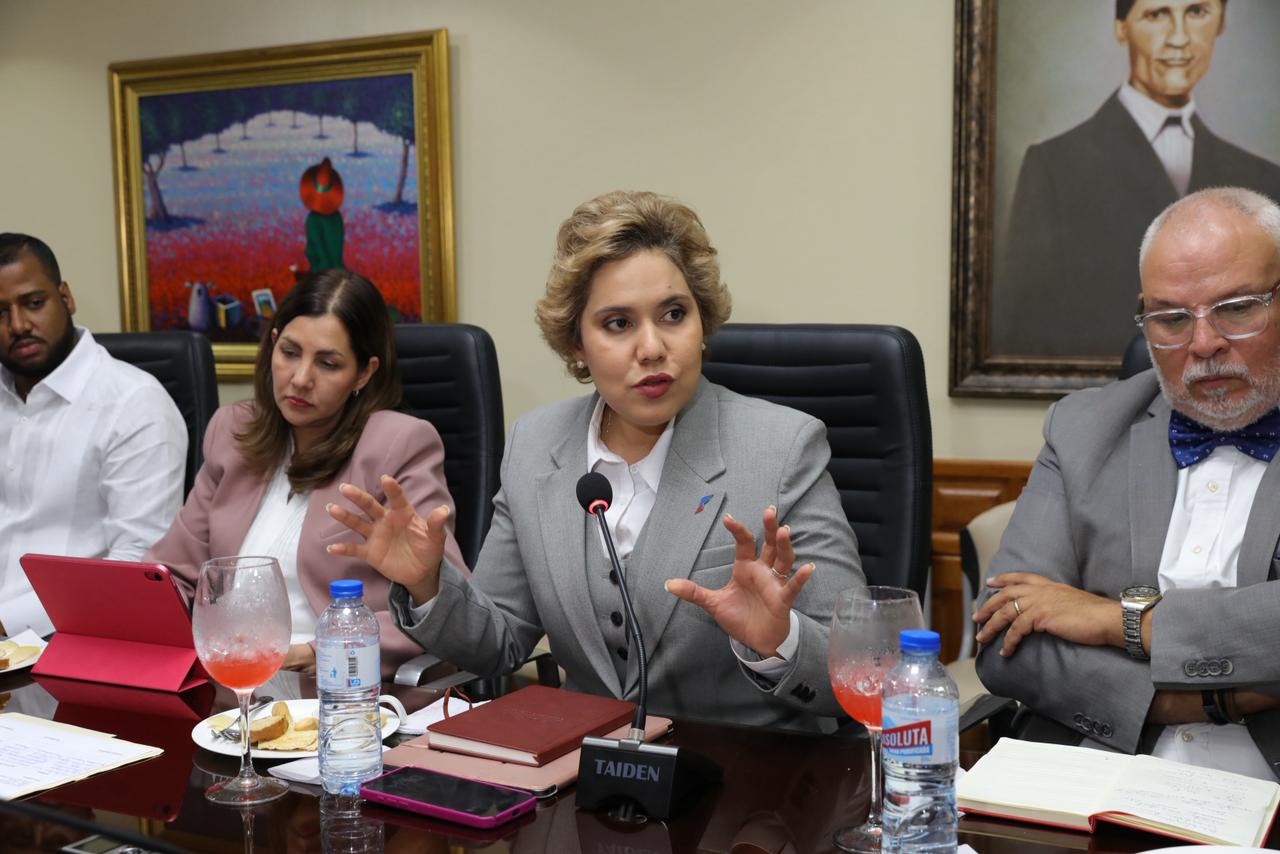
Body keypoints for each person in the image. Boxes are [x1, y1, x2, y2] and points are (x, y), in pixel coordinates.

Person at [328, 191, 865, 730]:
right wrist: (427, 584)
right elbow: (499, 642)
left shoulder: (782, 446)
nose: (652, 347)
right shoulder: (535, 445)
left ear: (702, 324)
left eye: (674, 314)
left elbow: (860, 666)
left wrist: (779, 640)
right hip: (583, 776)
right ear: (576, 344)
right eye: (617, 323)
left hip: (749, 783)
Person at [975, 186, 1280, 780]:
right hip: (1097, 770)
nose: (1203, 343)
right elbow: (1003, 634)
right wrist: (1203, 700)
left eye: (1238, 307)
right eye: (1170, 318)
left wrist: (1117, 620)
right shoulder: (1083, 426)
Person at [145, 269, 465, 678]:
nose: (300, 378)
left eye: (328, 364)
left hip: (334, 685)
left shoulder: (399, 444)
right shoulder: (233, 432)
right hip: (230, 678)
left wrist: (314, 653)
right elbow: (172, 572)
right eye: (290, 352)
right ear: (272, 344)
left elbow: (442, 607)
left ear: (364, 373)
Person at [993, 0, 1280, 358]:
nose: (1179, 38)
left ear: (1221, 22)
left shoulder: (1263, 178)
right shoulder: (1053, 167)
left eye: (1196, 12)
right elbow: (1022, 321)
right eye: (1157, 14)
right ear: (1121, 27)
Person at [0, 233, 186, 637]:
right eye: (0, 312)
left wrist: (6, 624)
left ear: (65, 297)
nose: (18, 325)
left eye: (34, 303)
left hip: (73, 650)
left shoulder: (135, 403)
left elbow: (136, 567)